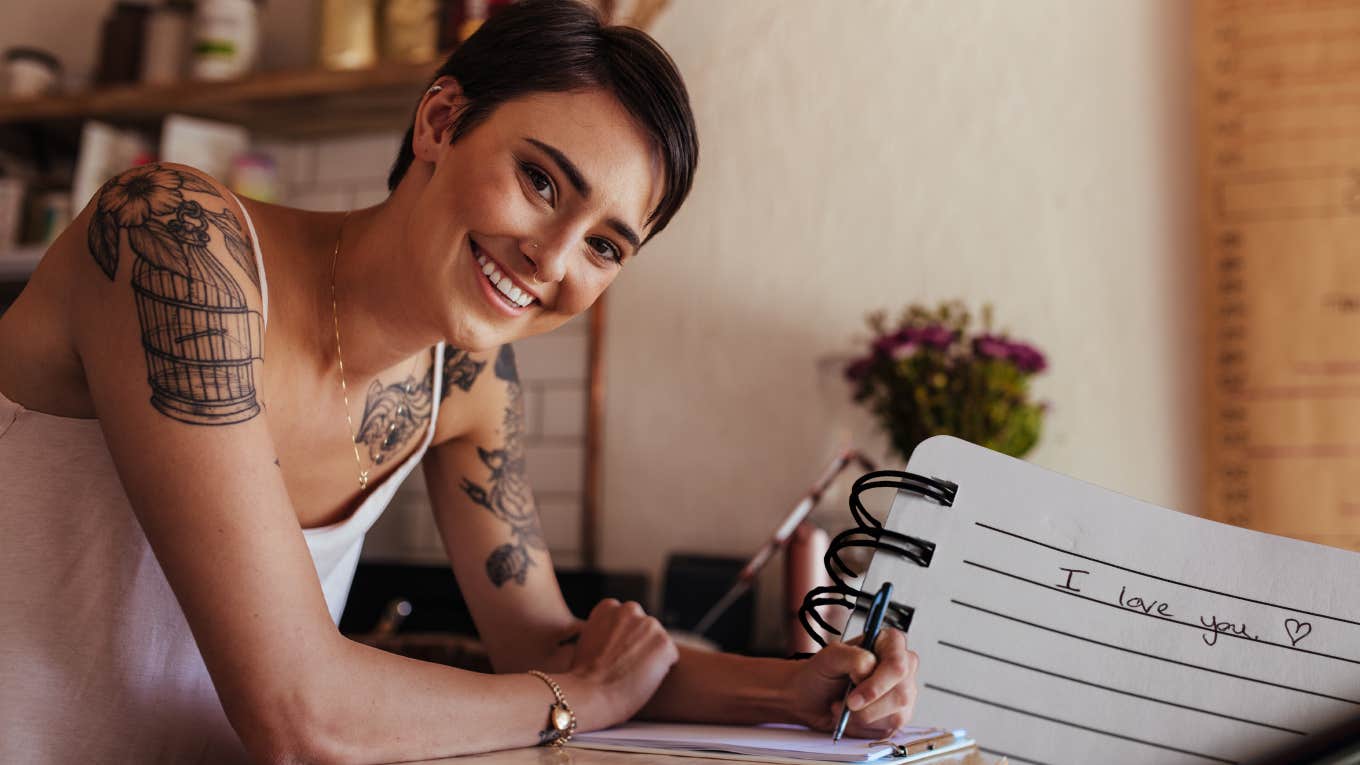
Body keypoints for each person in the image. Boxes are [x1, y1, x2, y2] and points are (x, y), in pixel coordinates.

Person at [0, 2, 919, 762]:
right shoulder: (177, 241)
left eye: (604, 245)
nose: (553, 259)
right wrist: (576, 697)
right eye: (540, 180)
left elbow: (548, 641)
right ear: (439, 121)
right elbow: (298, 710)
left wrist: (795, 686)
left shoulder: (468, 379)